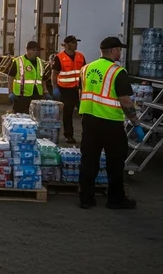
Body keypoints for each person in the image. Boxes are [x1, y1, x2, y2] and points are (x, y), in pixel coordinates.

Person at [78, 37, 139, 210]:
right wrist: (135, 123)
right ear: (113, 51)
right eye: (119, 49)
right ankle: (115, 200)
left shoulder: (86, 68)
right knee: (115, 162)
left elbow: (81, 93)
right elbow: (125, 101)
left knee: (89, 159)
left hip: (89, 120)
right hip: (111, 123)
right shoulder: (117, 72)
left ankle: (86, 199)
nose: (121, 53)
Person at [52, 36, 87, 144]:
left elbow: (85, 72)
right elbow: (54, 74)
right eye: (73, 42)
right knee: (68, 113)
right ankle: (69, 135)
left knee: (84, 112)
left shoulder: (80, 56)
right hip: (65, 89)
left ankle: (87, 134)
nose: (76, 44)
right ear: (66, 44)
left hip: (79, 89)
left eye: (76, 42)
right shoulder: (59, 57)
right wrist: (55, 88)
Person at [7, 41, 49, 114]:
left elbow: (43, 79)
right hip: (22, 95)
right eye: (34, 50)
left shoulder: (40, 62)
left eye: (37, 50)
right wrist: (11, 92)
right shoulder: (18, 61)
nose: (36, 52)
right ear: (27, 50)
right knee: (20, 115)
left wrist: (45, 91)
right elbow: (11, 77)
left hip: (37, 95)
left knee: (35, 115)